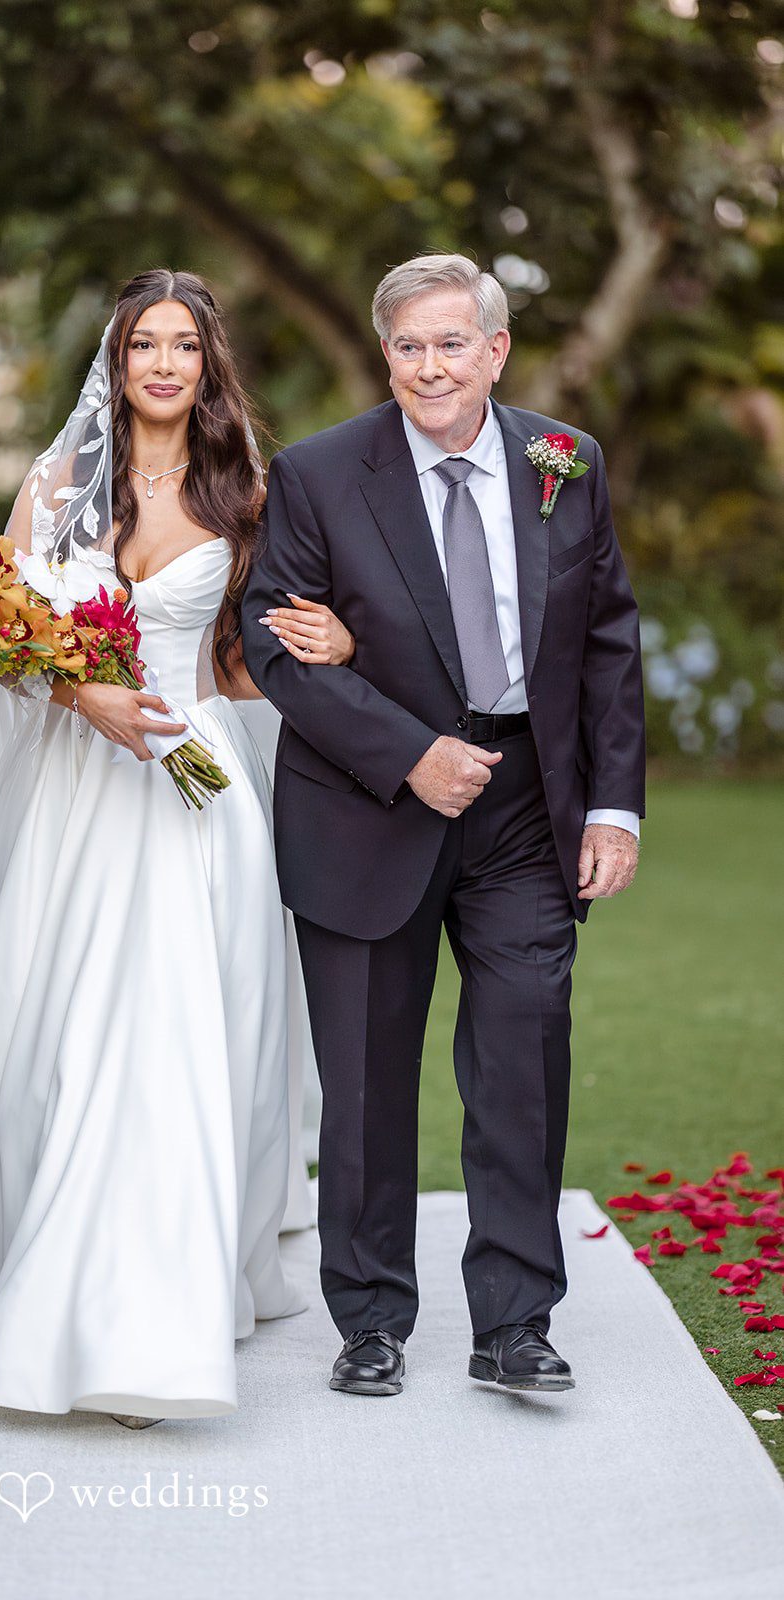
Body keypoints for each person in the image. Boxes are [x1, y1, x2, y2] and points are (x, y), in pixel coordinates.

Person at [0, 269, 353, 1426]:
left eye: (184, 346)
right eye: (141, 346)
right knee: (52, 1025)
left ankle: (148, 1310)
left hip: (196, 792)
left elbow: (232, 663)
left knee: (173, 1035)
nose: (163, 364)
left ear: (210, 365)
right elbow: (3, 635)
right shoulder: (57, 481)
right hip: (77, 792)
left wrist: (329, 636)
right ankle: (29, 1265)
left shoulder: (249, 493)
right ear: (114, 363)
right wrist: (86, 699)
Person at [241, 251, 645, 1399]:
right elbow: (273, 638)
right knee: (365, 1078)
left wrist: (611, 804)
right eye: (408, 345)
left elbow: (607, 636)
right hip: (370, 804)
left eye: (451, 342)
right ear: (387, 354)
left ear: (495, 349)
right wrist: (408, 753)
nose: (429, 364)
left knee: (523, 1051)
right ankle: (369, 1320)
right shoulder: (319, 474)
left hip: (526, 804)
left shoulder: (564, 462)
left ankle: (515, 1320)